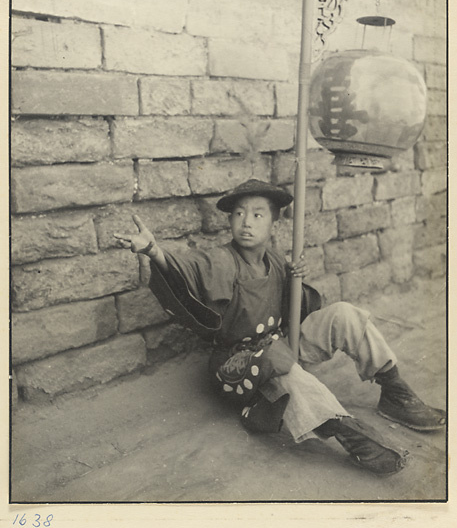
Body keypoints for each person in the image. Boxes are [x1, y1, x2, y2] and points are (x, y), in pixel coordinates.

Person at [114, 179, 445, 476]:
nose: (247, 223)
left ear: (273, 222)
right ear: (229, 221)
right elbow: (187, 266)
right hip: (241, 363)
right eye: (239, 214)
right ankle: (351, 434)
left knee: (346, 314)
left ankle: (395, 392)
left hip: (280, 344)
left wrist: (294, 276)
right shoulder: (220, 260)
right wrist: (153, 250)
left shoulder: (274, 258)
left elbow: (296, 309)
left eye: (258, 215)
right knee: (284, 365)